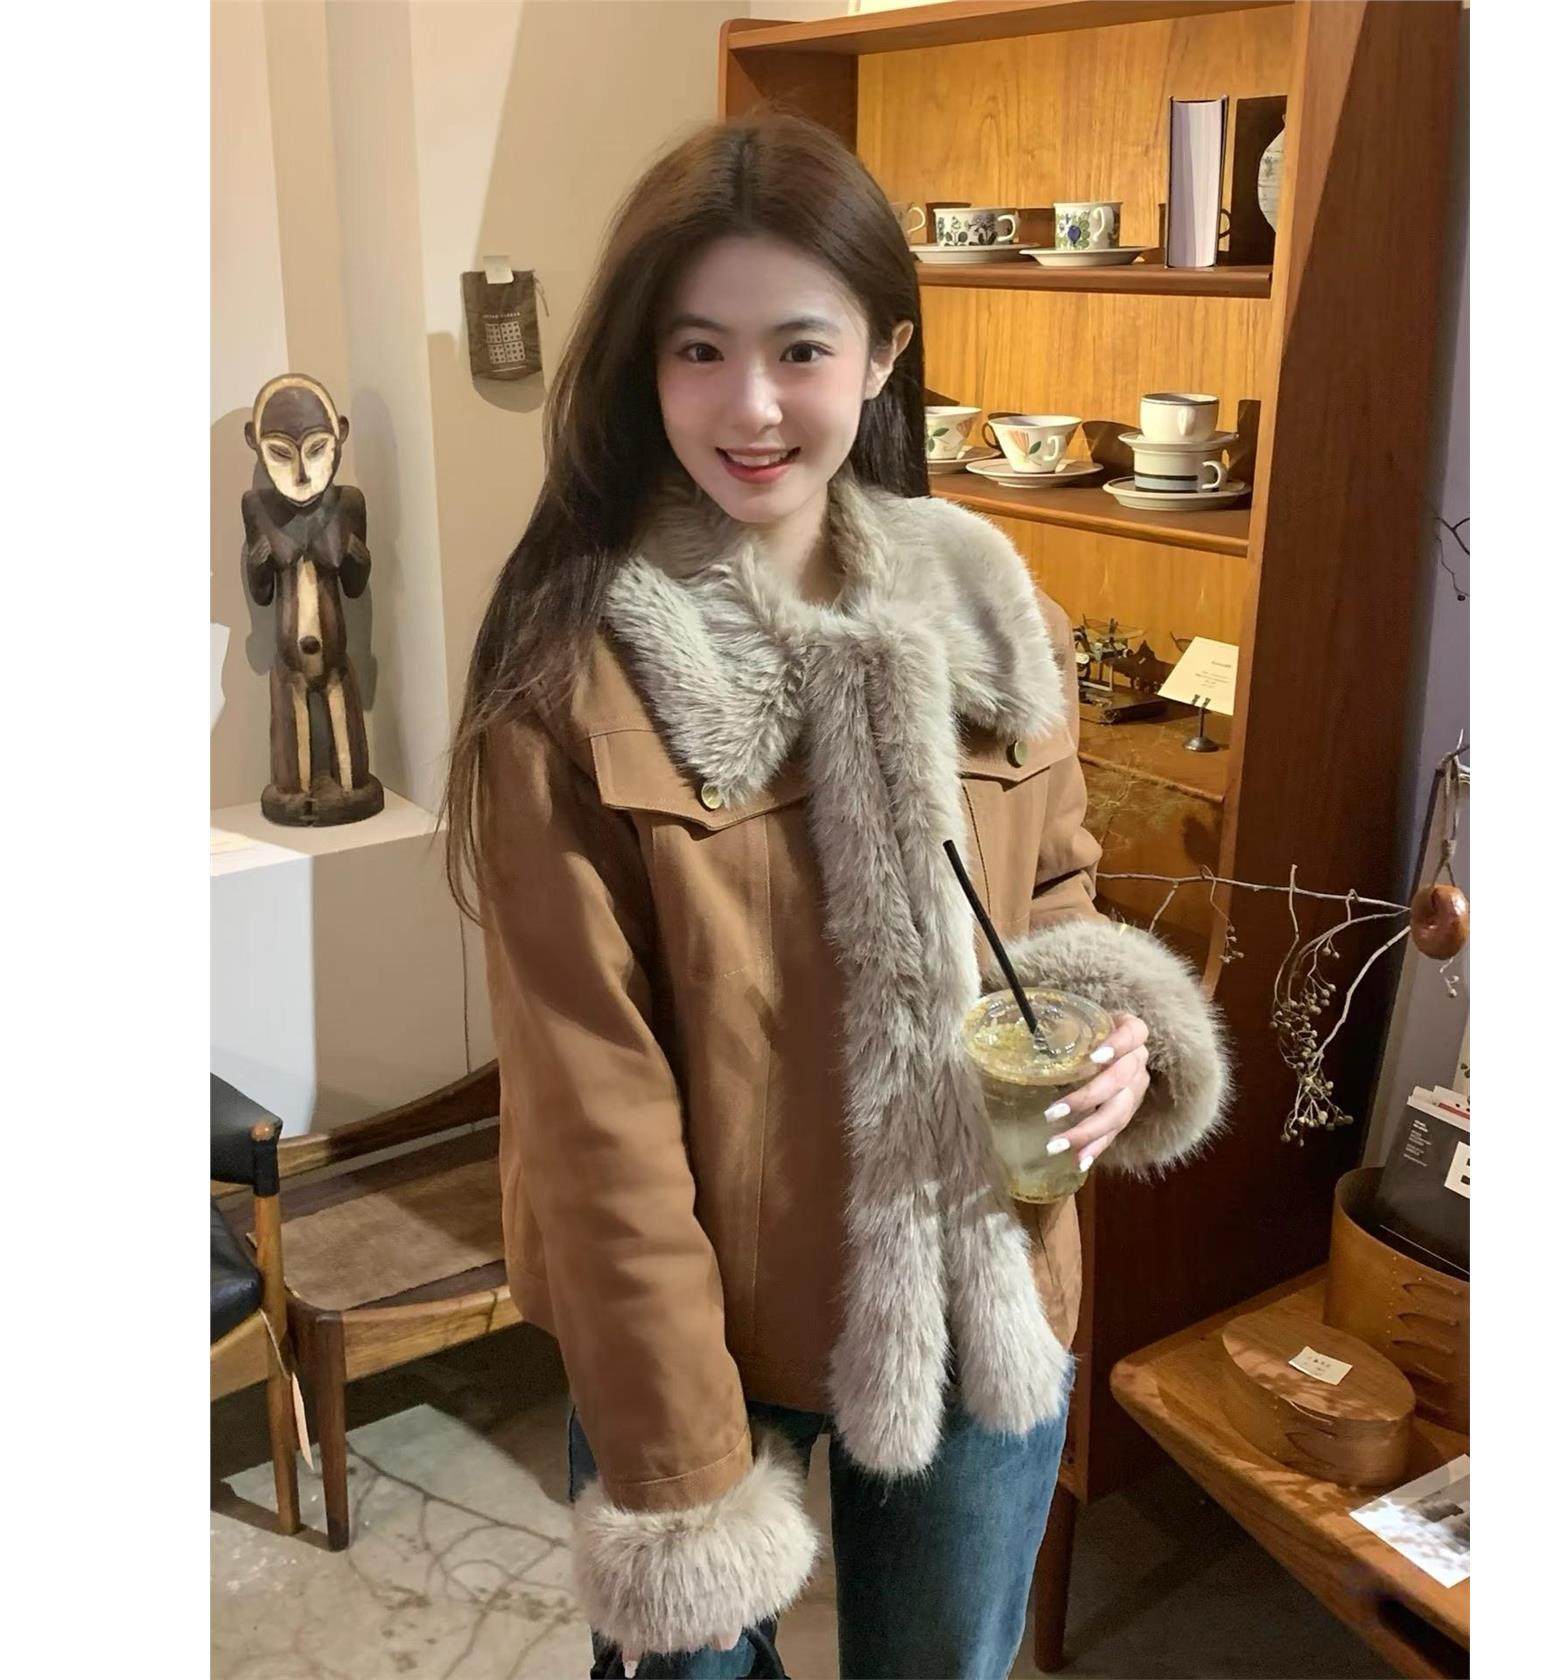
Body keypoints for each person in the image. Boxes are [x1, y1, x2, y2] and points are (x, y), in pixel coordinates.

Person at [442, 110, 1231, 1680]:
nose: (749, 405)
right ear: (644, 365)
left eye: (799, 348)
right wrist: (684, 1479)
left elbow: (1054, 891)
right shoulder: (571, 670)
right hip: (701, 1335)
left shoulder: (994, 605)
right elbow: (593, 1115)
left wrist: (1120, 1028)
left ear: (882, 356)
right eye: (698, 349)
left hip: (989, 1284)